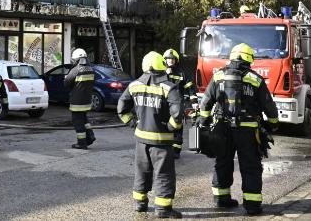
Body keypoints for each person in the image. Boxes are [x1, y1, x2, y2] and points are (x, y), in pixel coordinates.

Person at [198, 43, 278, 216]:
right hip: (248, 130)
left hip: (222, 128)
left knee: (223, 161)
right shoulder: (255, 79)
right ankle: (252, 205)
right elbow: (269, 105)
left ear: (232, 57)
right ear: (249, 59)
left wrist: (204, 121)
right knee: (250, 165)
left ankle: (221, 198)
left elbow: (206, 102)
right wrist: (273, 123)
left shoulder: (218, 75)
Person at [118, 51, 183, 218]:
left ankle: (140, 204)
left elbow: (121, 108)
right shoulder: (169, 87)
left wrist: (133, 123)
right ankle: (163, 209)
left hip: (141, 139)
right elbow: (177, 114)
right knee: (164, 174)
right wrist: (171, 127)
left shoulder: (134, 85)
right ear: (162, 65)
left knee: (142, 171)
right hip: (162, 141)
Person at [163, 48, 197, 158]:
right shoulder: (161, 72)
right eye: (169, 59)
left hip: (177, 105)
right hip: (164, 105)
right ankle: (163, 149)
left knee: (177, 128)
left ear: (176, 60)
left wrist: (194, 102)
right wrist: (166, 75)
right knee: (163, 127)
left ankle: (176, 151)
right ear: (165, 60)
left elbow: (190, 88)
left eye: (173, 59)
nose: (171, 60)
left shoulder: (182, 73)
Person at [64, 48, 95, 149]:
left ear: (77, 59)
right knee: (84, 119)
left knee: (77, 122)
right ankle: (90, 137)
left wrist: (66, 78)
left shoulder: (75, 70)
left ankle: (81, 143)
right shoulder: (90, 69)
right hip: (87, 100)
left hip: (77, 102)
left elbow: (66, 83)